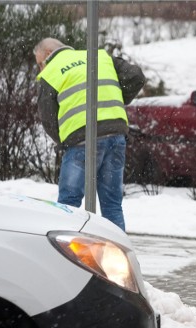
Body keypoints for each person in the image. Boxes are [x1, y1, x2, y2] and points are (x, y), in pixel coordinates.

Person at [33, 37, 145, 231]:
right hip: (116, 134)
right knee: (112, 204)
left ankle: (66, 255)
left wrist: (64, 140)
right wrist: (118, 98)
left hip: (80, 140)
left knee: (68, 204)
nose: (41, 68)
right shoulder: (99, 57)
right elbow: (136, 76)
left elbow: (48, 118)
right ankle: (117, 254)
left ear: (49, 55)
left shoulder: (50, 72)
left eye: (40, 63)